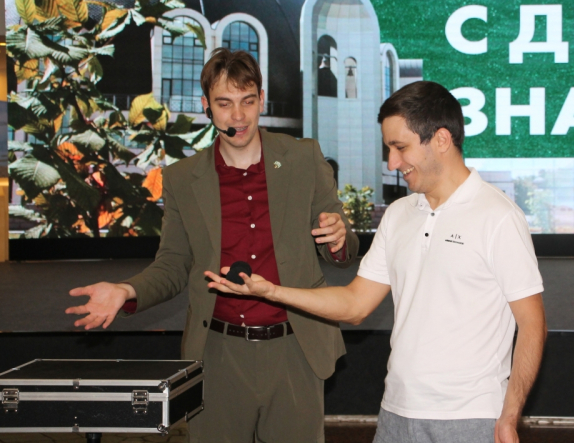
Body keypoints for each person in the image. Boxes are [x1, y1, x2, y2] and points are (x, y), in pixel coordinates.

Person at [206, 81, 547, 443]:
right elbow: (355, 304)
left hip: (472, 419)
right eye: (389, 149)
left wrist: (509, 416)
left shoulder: (498, 216)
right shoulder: (399, 214)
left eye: (400, 148)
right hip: (396, 414)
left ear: (442, 140)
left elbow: (532, 325)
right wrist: (271, 291)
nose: (392, 163)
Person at [66, 48, 359, 443]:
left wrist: (338, 239)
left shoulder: (303, 158)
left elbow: (341, 247)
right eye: (224, 103)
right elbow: (173, 265)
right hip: (218, 354)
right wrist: (126, 290)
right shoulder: (182, 178)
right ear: (206, 106)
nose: (238, 116)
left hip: (297, 348)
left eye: (247, 101)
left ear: (261, 100)